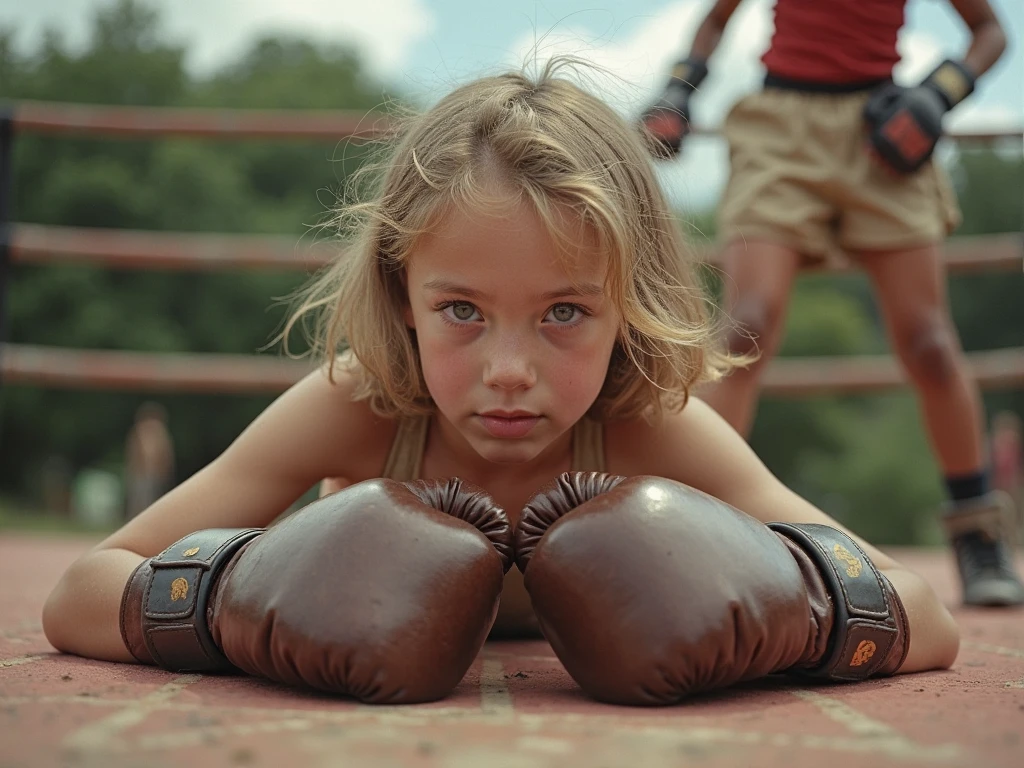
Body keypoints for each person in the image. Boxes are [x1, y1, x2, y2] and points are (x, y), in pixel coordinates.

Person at [42, 59, 960, 706]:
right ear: (402, 294)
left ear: (627, 306)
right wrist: (238, 604)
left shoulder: (650, 425)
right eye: (461, 311)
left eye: (563, 312)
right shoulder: (361, 403)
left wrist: (797, 617)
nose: (509, 371)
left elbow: (923, 615)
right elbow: (83, 590)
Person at [641, 0, 1023, 607]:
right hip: (781, 131)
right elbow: (716, 19)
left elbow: (989, 30)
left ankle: (978, 535)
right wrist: (678, 90)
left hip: (881, 125)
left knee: (928, 342)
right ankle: (682, 526)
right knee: (744, 329)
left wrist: (937, 95)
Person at [123, 401, 176, 520]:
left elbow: (164, 455)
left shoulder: (158, 432)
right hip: (141, 473)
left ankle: (145, 521)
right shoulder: (143, 431)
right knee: (140, 500)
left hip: (151, 474)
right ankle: (138, 521)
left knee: (149, 500)